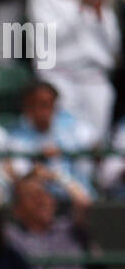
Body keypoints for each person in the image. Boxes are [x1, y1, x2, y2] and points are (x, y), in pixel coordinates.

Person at [27, 0, 120, 146]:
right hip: (60, 78)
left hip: (94, 79)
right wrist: (80, 9)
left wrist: (98, 13)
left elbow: (113, 43)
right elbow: (51, 35)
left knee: (97, 144)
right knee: (68, 141)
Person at [4, 175, 94, 269]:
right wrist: (3, 179)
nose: (40, 200)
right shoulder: (12, 234)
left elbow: (83, 202)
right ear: (17, 210)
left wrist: (57, 176)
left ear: (54, 201)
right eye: (31, 196)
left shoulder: (70, 228)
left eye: (44, 193)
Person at [6, 79, 95, 207]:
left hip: (73, 199)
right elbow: (18, 170)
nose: (41, 110)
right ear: (27, 107)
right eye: (35, 104)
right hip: (36, 201)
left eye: (46, 104)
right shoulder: (16, 135)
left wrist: (63, 152)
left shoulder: (73, 127)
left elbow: (96, 145)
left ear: (55, 105)